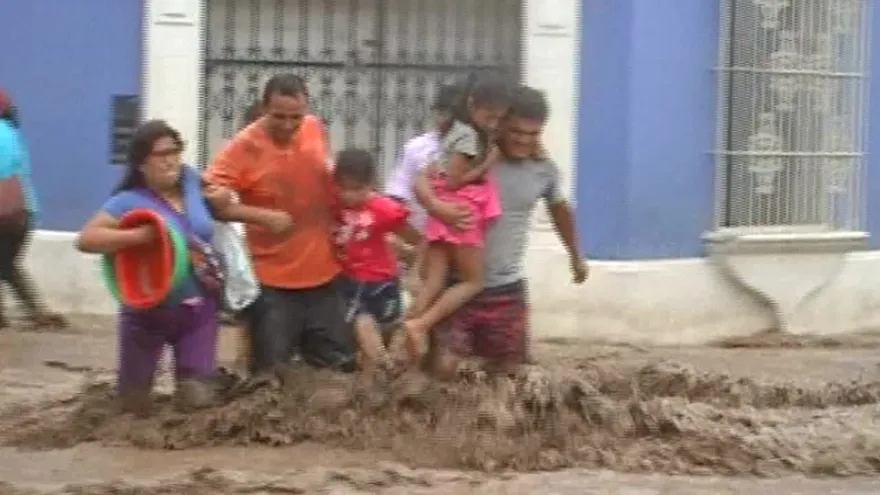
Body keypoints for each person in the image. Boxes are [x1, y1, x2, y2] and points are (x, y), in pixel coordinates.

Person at [75, 119, 290, 414]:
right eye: (161, 155)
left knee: (197, 400)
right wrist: (138, 236)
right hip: (148, 312)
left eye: (175, 151)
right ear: (141, 163)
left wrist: (265, 217)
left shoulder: (191, 183)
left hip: (198, 311)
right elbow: (87, 238)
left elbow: (223, 208)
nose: (170, 160)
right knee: (132, 405)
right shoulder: (128, 201)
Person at [416, 86, 589, 379]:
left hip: (506, 293)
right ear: (499, 125)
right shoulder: (473, 156)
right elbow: (423, 179)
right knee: (443, 370)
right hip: (456, 289)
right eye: (516, 131)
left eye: (533, 133)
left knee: (512, 376)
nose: (523, 140)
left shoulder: (543, 170)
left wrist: (576, 256)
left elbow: (561, 212)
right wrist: (436, 206)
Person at [205, 74, 357, 374]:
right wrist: (262, 216)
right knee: (271, 374)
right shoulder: (243, 147)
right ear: (263, 108)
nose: (288, 125)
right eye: (278, 117)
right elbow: (209, 201)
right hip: (272, 282)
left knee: (340, 367)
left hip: (323, 274)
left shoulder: (315, 128)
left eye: (295, 117)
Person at [402, 74, 512, 363]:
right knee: (473, 282)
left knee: (435, 281)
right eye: (489, 116)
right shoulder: (468, 136)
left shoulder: (460, 131)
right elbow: (454, 180)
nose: (493, 123)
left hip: (444, 212)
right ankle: (420, 325)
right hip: (461, 212)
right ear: (472, 104)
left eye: (499, 119)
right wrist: (487, 165)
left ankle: (407, 331)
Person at [332, 148, 421, 373]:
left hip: (383, 282)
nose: (349, 195)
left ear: (371, 183)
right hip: (350, 281)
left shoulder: (383, 209)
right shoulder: (333, 205)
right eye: (344, 188)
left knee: (386, 330)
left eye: (357, 189)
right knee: (361, 323)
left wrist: (416, 269)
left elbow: (420, 239)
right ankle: (386, 367)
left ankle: (378, 379)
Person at [385, 84, 462, 295]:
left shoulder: (475, 150)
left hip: (462, 250)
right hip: (421, 245)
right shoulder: (417, 148)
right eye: (441, 112)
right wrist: (421, 250)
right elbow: (395, 203)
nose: (445, 120)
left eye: (452, 114)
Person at [0, 89, 67, 330]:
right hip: (21, 212)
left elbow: (5, 172)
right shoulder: (11, 132)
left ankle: (39, 312)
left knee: (5, 264)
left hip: (8, 214)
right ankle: (32, 312)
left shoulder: (2, 134)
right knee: (5, 263)